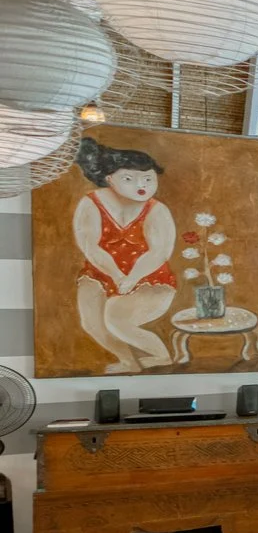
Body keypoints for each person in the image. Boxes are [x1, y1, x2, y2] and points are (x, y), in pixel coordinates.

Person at [69, 138, 177, 374]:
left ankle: (161, 355)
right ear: (110, 179)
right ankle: (128, 362)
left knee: (117, 316)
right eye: (129, 179)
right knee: (92, 323)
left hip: (148, 274)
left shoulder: (156, 210)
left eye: (148, 179)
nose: (142, 186)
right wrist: (116, 275)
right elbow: (90, 246)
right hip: (100, 271)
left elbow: (159, 252)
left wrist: (131, 278)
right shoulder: (92, 203)